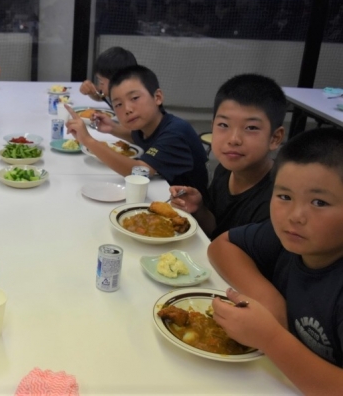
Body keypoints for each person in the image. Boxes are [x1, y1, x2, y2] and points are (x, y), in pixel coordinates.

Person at [207, 128, 343, 394]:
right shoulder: (290, 237)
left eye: (319, 202)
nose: (295, 215)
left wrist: (269, 338)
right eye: (284, 197)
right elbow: (222, 246)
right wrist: (269, 300)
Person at [169, 74, 286, 239]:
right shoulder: (225, 169)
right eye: (223, 125)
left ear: (275, 138)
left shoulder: (277, 199)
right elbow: (215, 229)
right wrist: (199, 209)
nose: (234, 139)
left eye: (251, 128)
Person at [66, 65, 209, 200]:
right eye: (118, 104)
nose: (127, 109)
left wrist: (88, 141)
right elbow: (138, 138)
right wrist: (112, 128)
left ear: (157, 97)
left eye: (134, 98)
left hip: (191, 210)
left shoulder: (175, 132)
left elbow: (139, 172)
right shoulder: (149, 126)